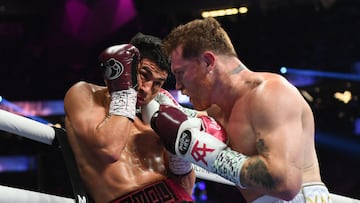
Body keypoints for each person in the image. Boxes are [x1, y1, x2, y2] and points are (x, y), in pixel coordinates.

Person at [147, 17, 332, 203]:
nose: (178, 85)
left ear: (208, 62)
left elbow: (285, 183)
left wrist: (212, 156)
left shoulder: (271, 94)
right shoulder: (215, 111)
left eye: (181, 73)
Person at [63, 33, 196, 203]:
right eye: (144, 75)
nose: (147, 89)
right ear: (127, 67)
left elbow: (186, 189)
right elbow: (109, 150)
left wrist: (179, 156)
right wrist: (126, 92)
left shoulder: (158, 117)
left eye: (157, 83)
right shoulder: (85, 94)